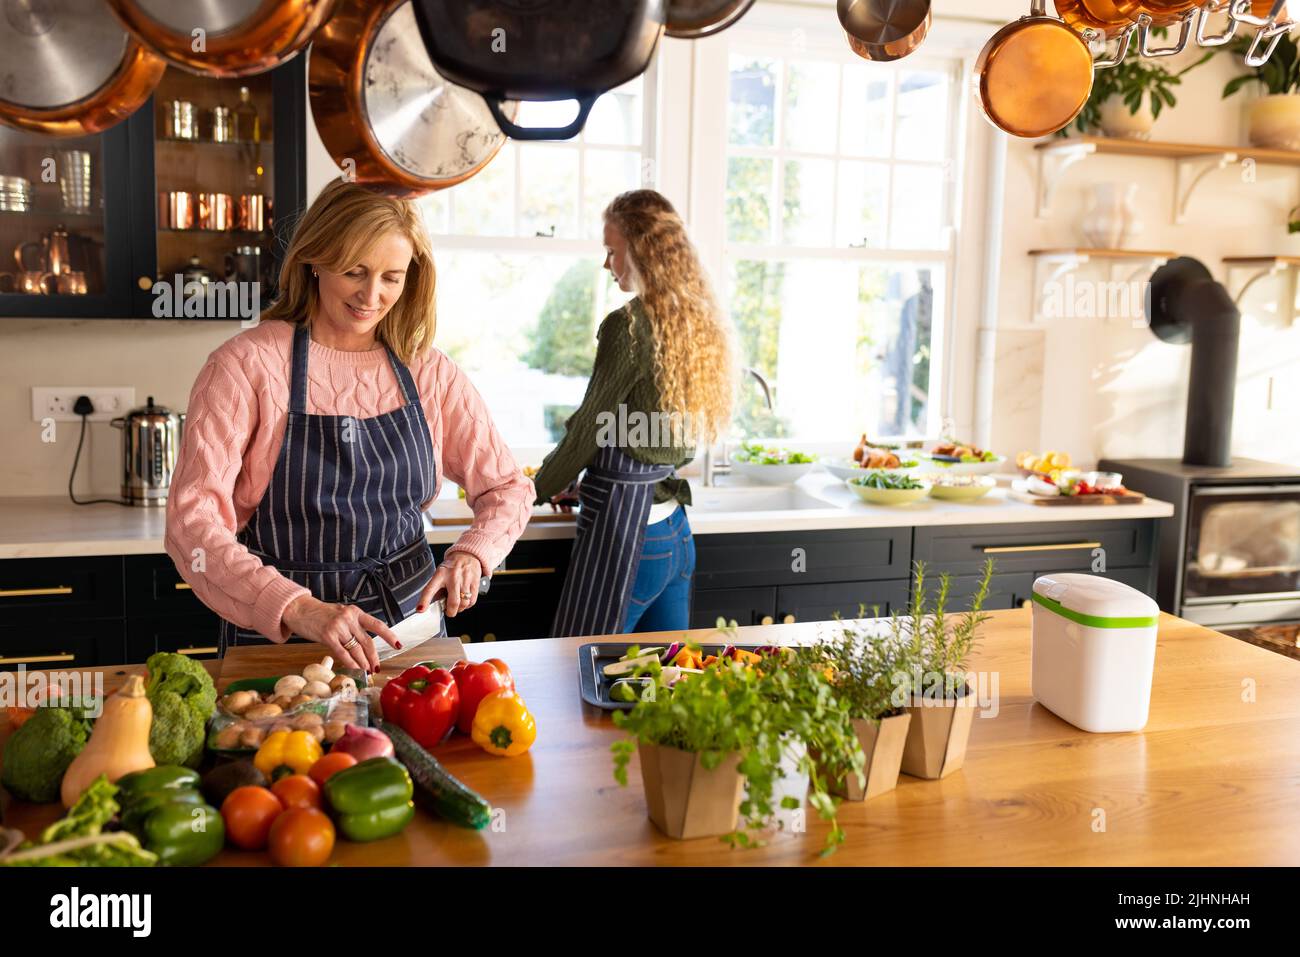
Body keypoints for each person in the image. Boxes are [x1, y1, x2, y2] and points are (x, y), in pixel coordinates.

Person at [165, 179, 532, 672]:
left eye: (392, 277)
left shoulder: (428, 372)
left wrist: (473, 552)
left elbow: (508, 487)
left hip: (410, 635)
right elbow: (192, 525)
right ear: (314, 259)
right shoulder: (246, 364)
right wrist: (298, 608)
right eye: (354, 271)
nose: (372, 295)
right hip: (284, 640)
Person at [532, 189, 734, 637]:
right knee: (665, 683)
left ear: (641, 251)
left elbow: (589, 428)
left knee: (578, 671)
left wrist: (533, 489)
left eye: (611, 251)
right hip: (675, 534)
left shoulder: (628, 326)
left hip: (631, 542)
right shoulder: (695, 322)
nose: (607, 264)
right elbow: (654, 441)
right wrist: (585, 483)